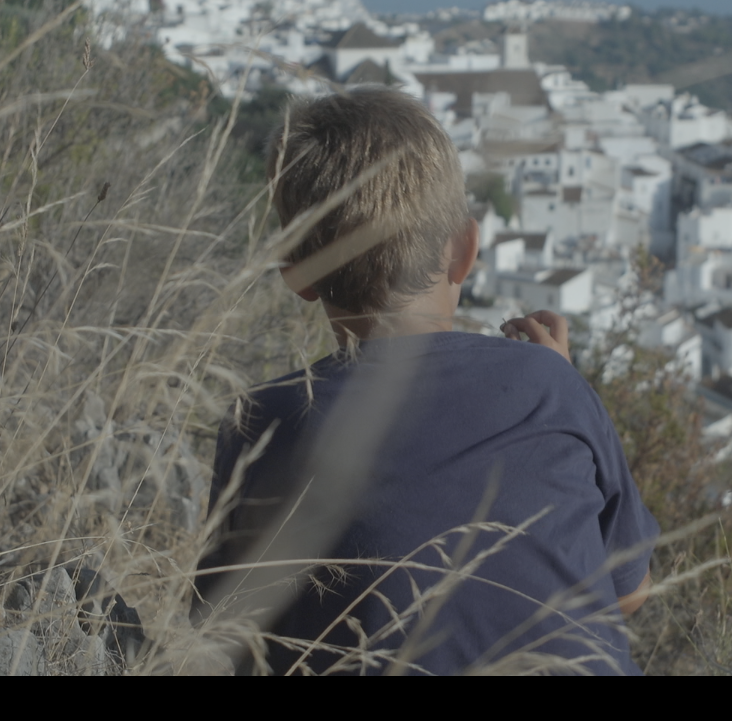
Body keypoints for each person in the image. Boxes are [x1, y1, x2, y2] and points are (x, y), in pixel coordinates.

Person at [190, 86, 659, 675]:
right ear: (466, 250)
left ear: (296, 272)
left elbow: (222, 635)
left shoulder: (259, 423)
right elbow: (630, 592)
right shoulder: (550, 383)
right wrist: (559, 385)